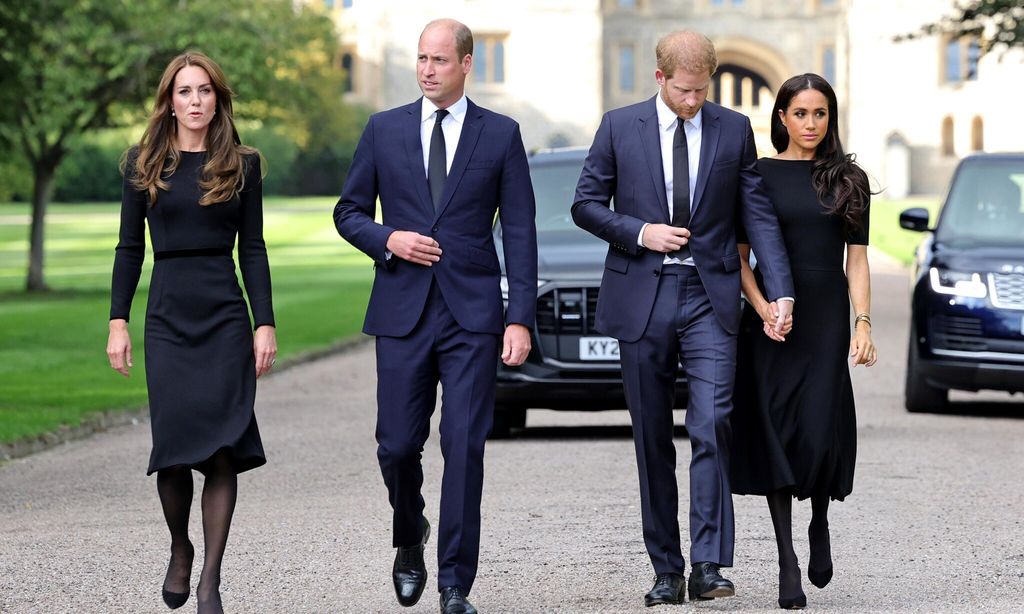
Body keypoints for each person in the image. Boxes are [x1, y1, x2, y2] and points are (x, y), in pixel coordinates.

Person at [572, 31, 794, 606]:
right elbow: (586, 204)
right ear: (660, 78)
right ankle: (665, 569)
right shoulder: (620, 126)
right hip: (641, 293)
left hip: (710, 295)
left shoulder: (733, 129)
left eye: (701, 90)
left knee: (713, 424)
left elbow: (758, 215)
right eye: (683, 90)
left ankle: (709, 565)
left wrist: (780, 290)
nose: (693, 101)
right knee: (651, 436)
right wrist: (641, 233)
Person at [333, 18, 537, 614]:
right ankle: (409, 532)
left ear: (467, 64)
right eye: (421, 59)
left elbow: (520, 231)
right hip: (401, 311)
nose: (427, 69)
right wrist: (388, 238)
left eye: (439, 60)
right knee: (396, 445)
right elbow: (348, 212)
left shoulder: (500, 135)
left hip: (473, 315)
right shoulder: (383, 129)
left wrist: (518, 316)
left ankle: (454, 583)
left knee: (464, 445)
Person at [106, 51, 276, 614]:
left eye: (204, 90)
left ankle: (210, 580)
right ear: (169, 100)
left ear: (217, 98)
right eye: (184, 92)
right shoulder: (143, 163)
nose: (195, 100)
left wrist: (264, 322)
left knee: (223, 452)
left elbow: (252, 248)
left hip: (225, 315)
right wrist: (118, 322)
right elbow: (130, 248)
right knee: (175, 452)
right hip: (168, 317)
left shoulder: (243, 165)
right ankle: (180, 547)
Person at [729, 73, 875, 610]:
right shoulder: (757, 176)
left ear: (829, 118)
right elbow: (740, 256)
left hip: (827, 317)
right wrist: (763, 305)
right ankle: (786, 557)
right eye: (800, 113)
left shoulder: (848, 179)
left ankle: (819, 519)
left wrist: (863, 322)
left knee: (816, 428)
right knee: (775, 429)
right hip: (772, 319)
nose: (810, 124)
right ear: (782, 118)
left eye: (820, 113)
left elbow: (856, 260)